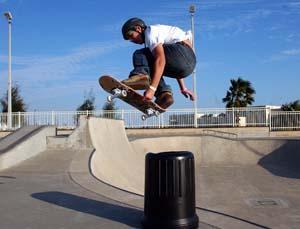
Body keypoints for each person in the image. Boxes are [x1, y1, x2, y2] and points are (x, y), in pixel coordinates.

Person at [121, 17, 196, 109]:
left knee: (140, 54)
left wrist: (152, 88)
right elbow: (178, 66)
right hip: (188, 65)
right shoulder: (162, 37)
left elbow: (161, 59)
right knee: (152, 66)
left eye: (131, 35)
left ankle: (140, 76)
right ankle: (164, 95)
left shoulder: (150, 32)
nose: (132, 41)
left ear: (138, 29)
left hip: (182, 52)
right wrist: (183, 88)